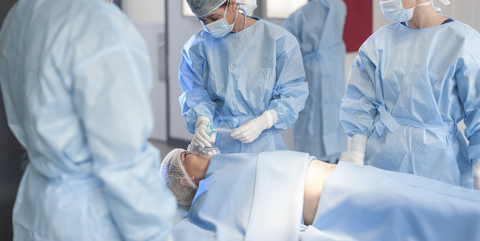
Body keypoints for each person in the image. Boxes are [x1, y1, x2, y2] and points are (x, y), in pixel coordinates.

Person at [0, 0, 176, 240]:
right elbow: (123, 159)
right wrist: (155, 231)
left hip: (36, 207)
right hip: (87, 218)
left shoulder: (20, 14)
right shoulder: (98, 27)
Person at [340, 0, 480, 189]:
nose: (383, 2)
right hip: (384, 161)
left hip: (439, 167)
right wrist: (356, 155)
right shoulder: (378, 43)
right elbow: (360, 102)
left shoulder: (462, 42)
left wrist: (478, 170)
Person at [160, 148, 480, 241]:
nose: (193, 148)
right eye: (187, 155)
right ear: (190, 177)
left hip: (346, 179)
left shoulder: (223, 165)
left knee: (426, 194)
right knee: (429, 211)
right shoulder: (210, 196)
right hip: (338, 199)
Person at [179, 0, 308, 153]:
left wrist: (265, 120)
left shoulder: (278, 41)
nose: (208, 26)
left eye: (213, 18)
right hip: (217, 147)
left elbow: (292, 93)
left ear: (232, 3)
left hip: (262, 147)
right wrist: (202, 121)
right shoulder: (196, 48)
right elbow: (196, 94)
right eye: (202, 20)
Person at [283, 0, 347, 162]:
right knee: (331, 111)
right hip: (333, 68)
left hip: (310, 71)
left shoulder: (297, 17)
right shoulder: (338, 5)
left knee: (312, 118)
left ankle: (312, 169)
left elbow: (289, 52)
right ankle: (333, 162)